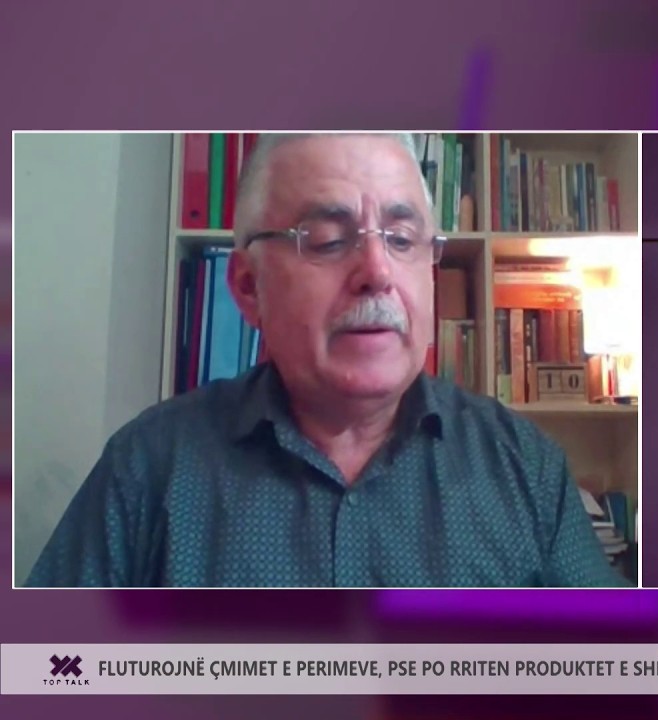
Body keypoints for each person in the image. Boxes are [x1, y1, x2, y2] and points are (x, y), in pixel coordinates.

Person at [26, 133, 626, 588]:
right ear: (248, 288)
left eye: (401, 239)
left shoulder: (525, 467)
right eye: (328, 240)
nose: (377, 273)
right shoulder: (149, 468)